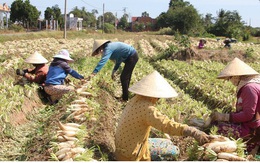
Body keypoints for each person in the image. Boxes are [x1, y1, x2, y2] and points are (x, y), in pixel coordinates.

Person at [114, 71, 212, 161]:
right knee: (174, 151)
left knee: (166, 142)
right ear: (154, 95)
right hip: (130, 156)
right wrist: (192, 131)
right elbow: (167, 125)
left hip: (122, 149)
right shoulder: (147, 109)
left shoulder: (135, 100)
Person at [210, 57, 260, 155]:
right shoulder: (249, 86)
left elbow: (248, 115)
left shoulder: (249, 88)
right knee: (218, 123)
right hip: (250, 126)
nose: (230, 81)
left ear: (238, 76)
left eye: (230, 78)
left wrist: (225, 117)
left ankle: (253, 145)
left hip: (253, 130)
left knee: (217, 127)